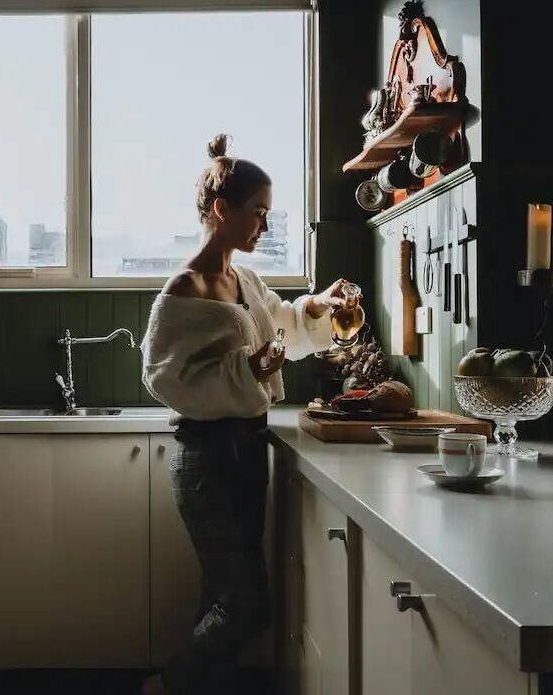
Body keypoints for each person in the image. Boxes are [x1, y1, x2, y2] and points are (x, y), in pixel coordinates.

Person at [140, 134, 350, 695]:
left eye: (268, 214)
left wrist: (316, 306)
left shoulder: (245, 280)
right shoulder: (184, 288)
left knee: (220, 592)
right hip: (206, 457)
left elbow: (279, 322)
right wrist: (248, 367)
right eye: (257, 213)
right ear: (220, 210)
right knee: (247, 605)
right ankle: (168, 686)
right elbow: (164, 377)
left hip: (246, 450)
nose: (263, 224)